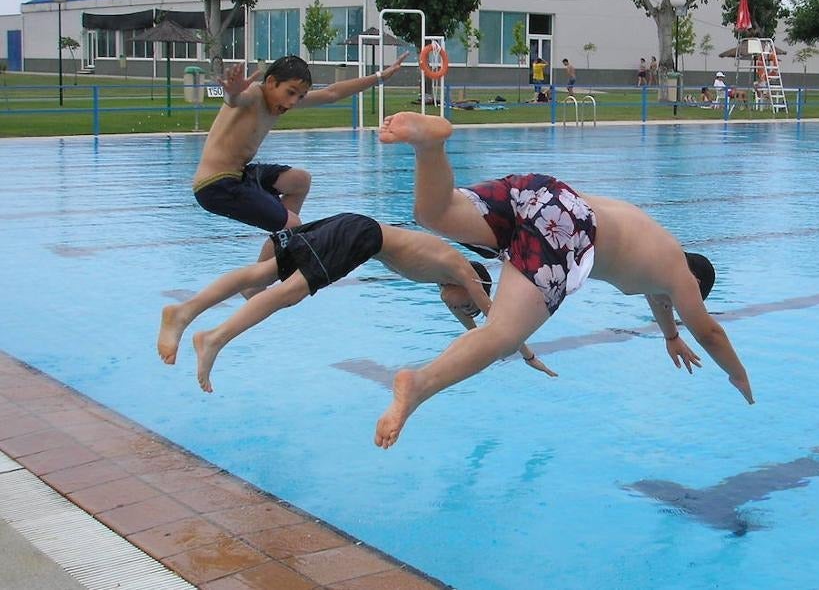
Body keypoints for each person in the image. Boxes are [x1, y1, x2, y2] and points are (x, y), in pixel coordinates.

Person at [373, 112, 754, 449]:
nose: (678, 307)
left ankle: (431, 146)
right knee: (502, 336)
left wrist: (670, 336)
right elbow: (711, 334)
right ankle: (419, 386)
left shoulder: (661, 252)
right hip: (569, 228)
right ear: (694, 283)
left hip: (545, 193)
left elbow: (660, 299)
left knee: (435, 213)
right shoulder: (680, 276)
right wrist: (738, 378)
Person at [157, 213, 557, 393]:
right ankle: (214, 339)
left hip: (352, 229)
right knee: (287, 293)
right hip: (359, 236)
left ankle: (184, 312)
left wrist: (476, 345)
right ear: (474, 286)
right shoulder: (460, 268)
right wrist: (526, 354)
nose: (457, 308)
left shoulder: (445, 276)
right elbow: (495, 321)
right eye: (463, 306)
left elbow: (476, 333)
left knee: (262, 276)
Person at [192, 53, 409, 238]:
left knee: (299, 181)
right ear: (271, 83)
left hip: (240, 176)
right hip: (216, 185)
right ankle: (266, 271)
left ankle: (270, 262)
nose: (294, 102)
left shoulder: (280, 99)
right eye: (291, 92)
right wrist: (233, 91)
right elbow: (235, 100)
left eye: (300, 96)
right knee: (293, 226)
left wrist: (381, 76)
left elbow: (331, 93)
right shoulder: (255, 95)